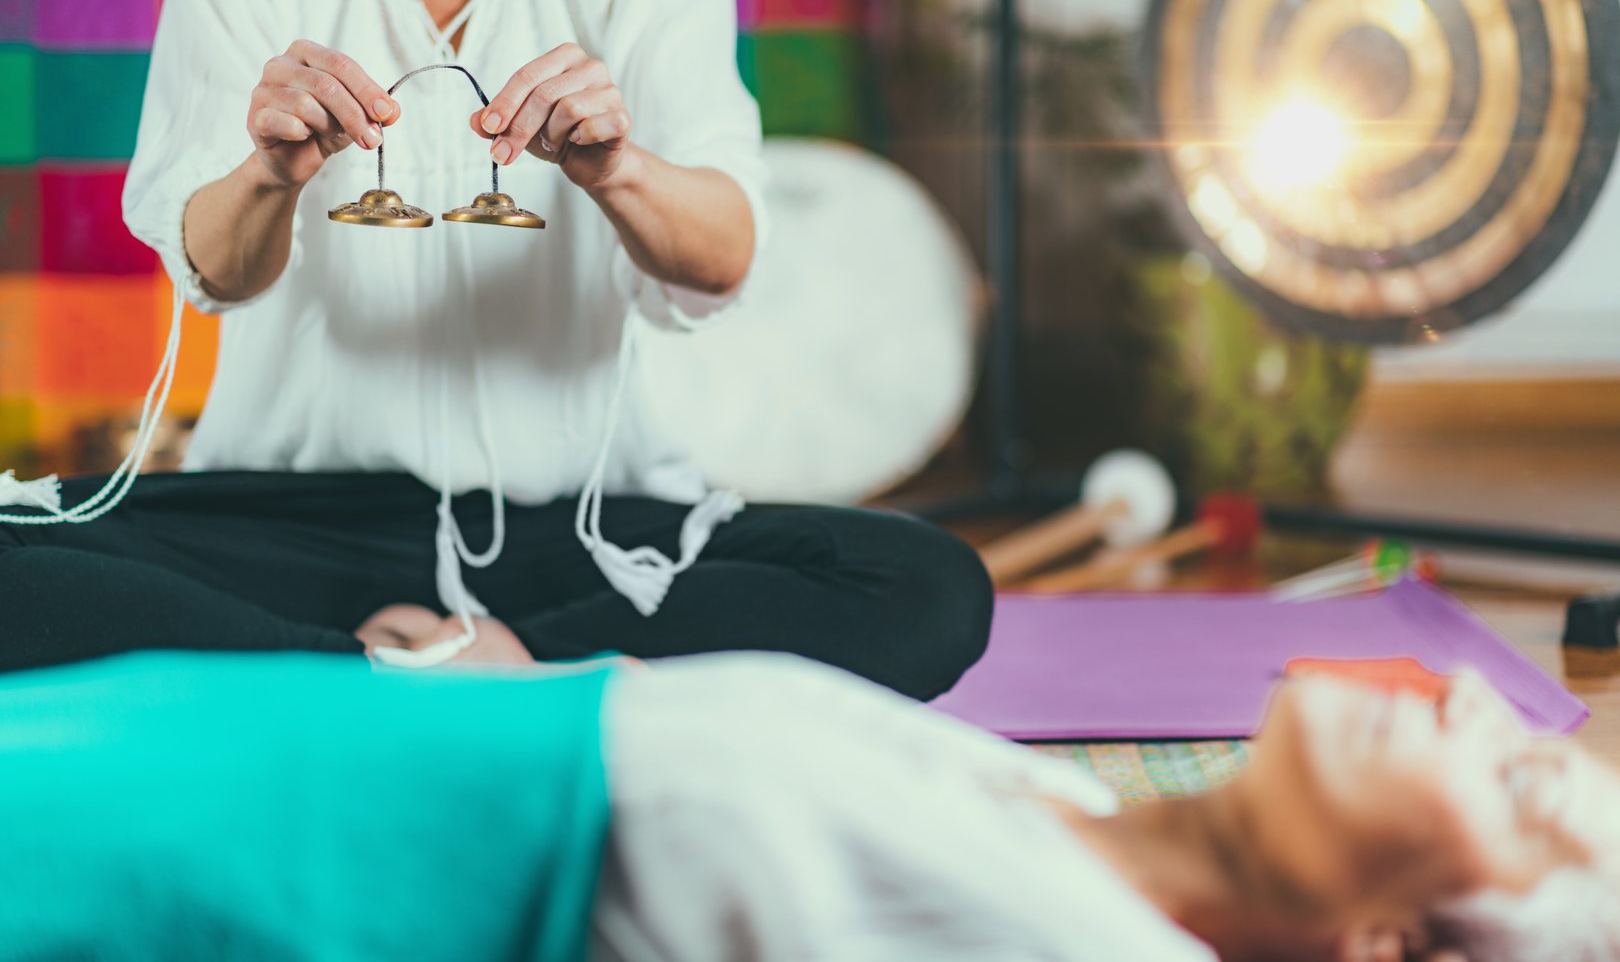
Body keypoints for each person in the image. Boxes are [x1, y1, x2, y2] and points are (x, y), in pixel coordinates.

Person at [0, 0, 991, 695]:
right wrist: (269, 170)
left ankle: (412, 677)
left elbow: (720, 259)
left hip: (577, 525)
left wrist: (618, 170)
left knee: (923, 581)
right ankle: (429, 678)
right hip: (294, 518)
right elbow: (219, 271)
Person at [0, 649, 1614, 960]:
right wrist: (533, 686)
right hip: (355, 753)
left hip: (335, 868)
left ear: (1403, 953)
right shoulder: (1053, 802)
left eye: (1523, 781)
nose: (1482, 700)